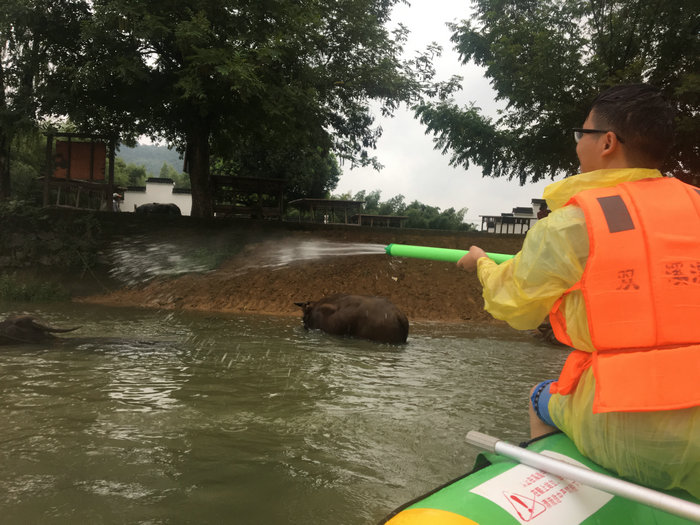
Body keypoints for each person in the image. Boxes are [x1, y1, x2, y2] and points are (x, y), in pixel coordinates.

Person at [457, 84, 699, 498]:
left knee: (541, 396)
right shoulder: (694, 203)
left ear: (607, 142)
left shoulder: (574, 224)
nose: (577, 147)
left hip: (627, 427)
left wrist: (480, 261)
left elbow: (514, 305)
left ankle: (556, 490)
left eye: (581, 134)